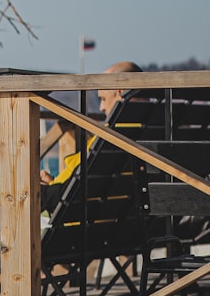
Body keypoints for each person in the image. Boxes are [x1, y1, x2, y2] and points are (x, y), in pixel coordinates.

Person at [40, 61, 143, 212]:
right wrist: (53, 185)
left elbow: (75, 194)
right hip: (123, 221)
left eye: (103, 99)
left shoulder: (114, 137)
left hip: (86, 224)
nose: (101, 107)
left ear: (120, 92)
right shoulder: (151, 130)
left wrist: (41, 193)